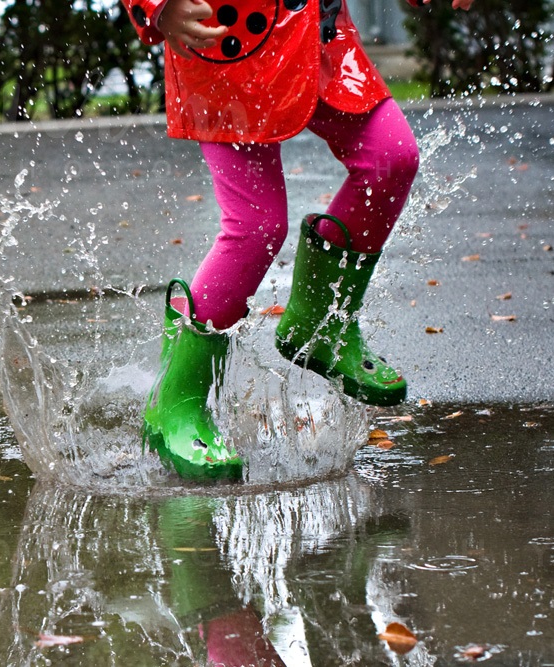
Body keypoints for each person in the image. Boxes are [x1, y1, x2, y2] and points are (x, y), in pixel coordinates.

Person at [125, 0, 476, 481]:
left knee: (390, 158)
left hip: (319, 36)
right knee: (256, 228)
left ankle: (323, 323)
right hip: (227, 41)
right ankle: (177, 401)